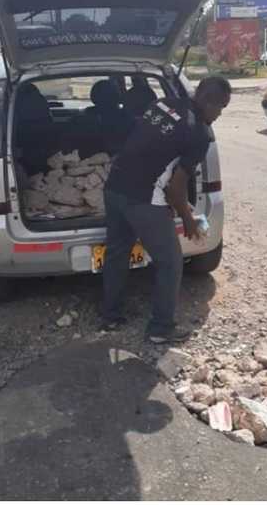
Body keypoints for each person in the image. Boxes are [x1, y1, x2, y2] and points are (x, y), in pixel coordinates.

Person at [98, 77, 232, 343]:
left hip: (115, 188)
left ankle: (110, 315)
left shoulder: (162, 104)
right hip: (144, 198)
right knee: (170, 262)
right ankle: (160, 329)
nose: (219, 114)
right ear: (208, 101)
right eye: (221, 107)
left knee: (116, 252)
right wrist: (188, 219)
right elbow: (174, 188)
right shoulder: (199, 133)